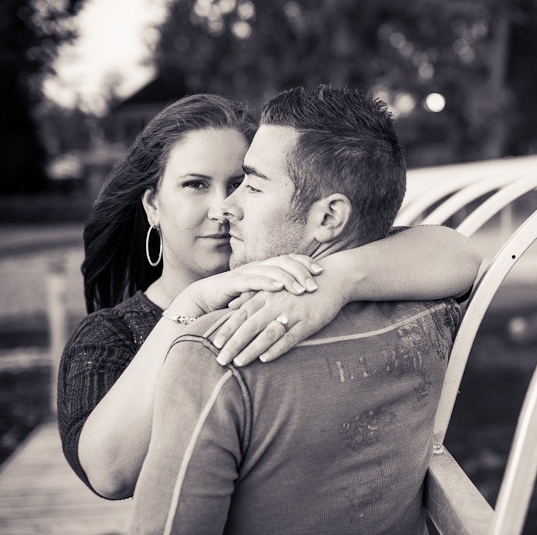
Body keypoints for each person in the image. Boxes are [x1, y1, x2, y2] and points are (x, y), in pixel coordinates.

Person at [57, 93, 481, 501]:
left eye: (244, 183)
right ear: (152, 205)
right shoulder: (110, 335)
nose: (223, 206)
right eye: (195, 185)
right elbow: (109, 474)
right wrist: (192, 304)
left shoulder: (299, 276)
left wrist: (337, 279)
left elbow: (458, 254)